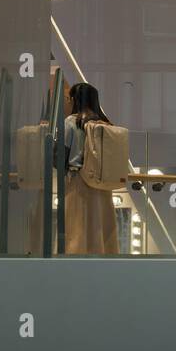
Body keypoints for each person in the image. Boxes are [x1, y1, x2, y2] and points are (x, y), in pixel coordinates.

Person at [61, 82, 120, 254]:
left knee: (77, 228)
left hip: (79, 182)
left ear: (75, 99)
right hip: (103, 183)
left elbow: (60, 158)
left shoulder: (71, 122)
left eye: (69, 98)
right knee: (101, 228)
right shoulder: (106, 124)